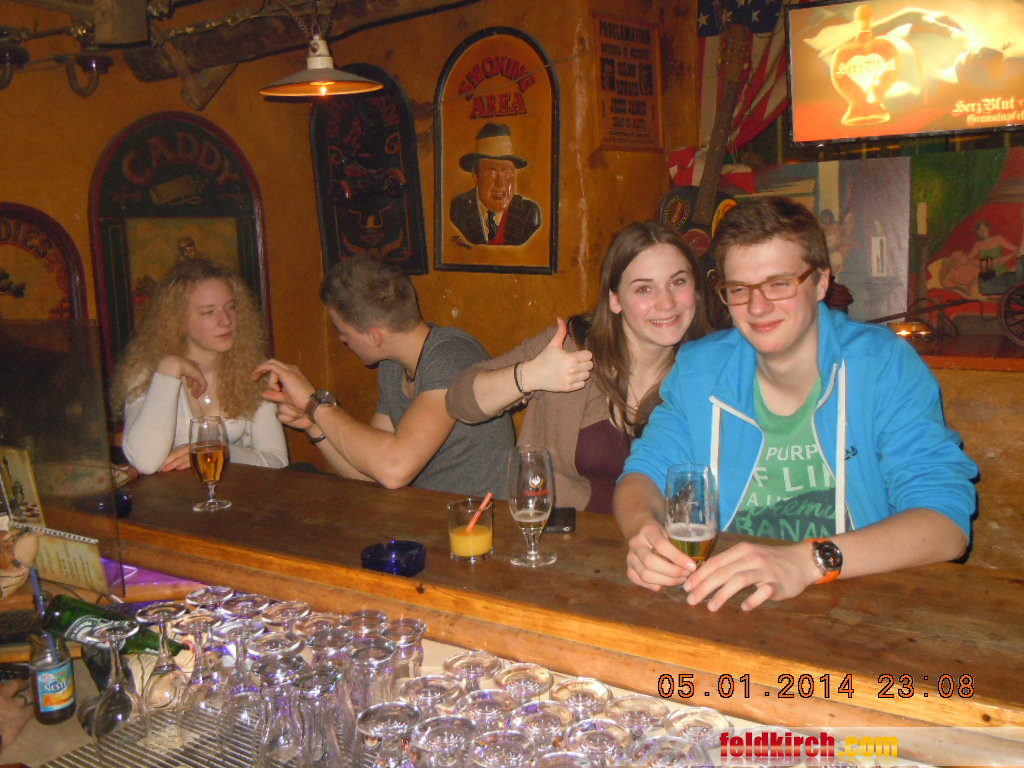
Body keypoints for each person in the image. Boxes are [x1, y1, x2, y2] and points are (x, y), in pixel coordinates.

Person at [614, 197, 977, 611]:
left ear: (821, 282)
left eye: (779, 284)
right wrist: (643, 532)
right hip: (727, 602)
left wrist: (808, 561)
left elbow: (945, 524)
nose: (757, 307)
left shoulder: (881, 365)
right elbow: (642, 476)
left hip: (859, 607)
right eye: (740, 289)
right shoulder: (700, 370)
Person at [447, 222, 715, 514]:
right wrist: (531, 375)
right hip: (562, 535)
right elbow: (459, 401)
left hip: (663, 538)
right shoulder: (572, 345)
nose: (666, 303)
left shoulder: (717, 369)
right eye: (644, 288)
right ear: (615, 300)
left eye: (678, 282)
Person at [254, 255, 514, 497]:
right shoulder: (392, 366)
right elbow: (371, 473)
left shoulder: (451, 359)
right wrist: (314, 425)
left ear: (374, 336)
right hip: (428, 515)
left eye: (343, 331)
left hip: (479, 521)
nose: (342, 339)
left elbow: (394, 469)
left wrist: (316, 404)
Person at [112, 258, 288, 475]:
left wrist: (220, 451)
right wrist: (169, 368)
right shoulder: (146, 375)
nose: (226, 320)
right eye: (208, 312)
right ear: (178, 321)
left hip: (237, 493)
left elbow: (278, 461)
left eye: (231, 307)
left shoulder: (253, 371)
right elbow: (145, 462)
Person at [449, 123, 541, 246]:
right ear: (476, 176)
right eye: (491, 173)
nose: (500, 185)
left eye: (507, 173)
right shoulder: (459, 210)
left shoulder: (528, 214)